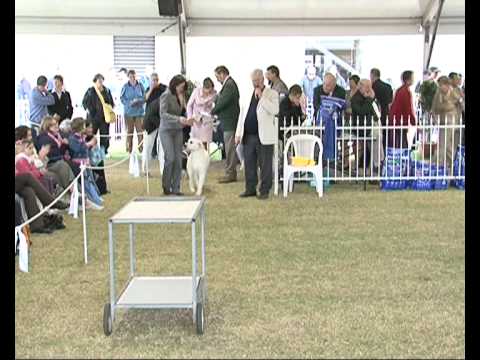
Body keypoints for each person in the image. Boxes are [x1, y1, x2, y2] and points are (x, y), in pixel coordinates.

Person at [235, 69, 279, 199]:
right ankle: (250, 188)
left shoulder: (272, 93)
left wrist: (262, 97)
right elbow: (242, 115)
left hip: (264, 136)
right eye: (253, 81)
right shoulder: (247, 94)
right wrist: (238, 133)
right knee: (249, 163)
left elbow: (275, 110)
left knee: (265, 164)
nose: (255, 83)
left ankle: (264, 190)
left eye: (258, 80)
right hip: (248, 135)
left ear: (263, 79)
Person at [159, 74, 194, 195]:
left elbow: (183, 112)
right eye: (180, 86)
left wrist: (187, 119)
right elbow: (163, 114)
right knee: (170, 158)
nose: (181, 89)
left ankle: (176, 188)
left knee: (179, 160)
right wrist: (178, 119)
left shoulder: (182, 95)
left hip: (178, 130)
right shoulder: (166, 95)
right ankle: (166, 186)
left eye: (183, 87)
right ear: (174, 84)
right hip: (166, 130)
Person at [211, 65, 241, 183]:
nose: (217, 79)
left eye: (217, 76)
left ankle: (230, 173)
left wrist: (212, 111)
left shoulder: (229, 85)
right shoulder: (229, 84)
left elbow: (222, 102)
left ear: (222, 73)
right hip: (228, 120)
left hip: (230, 121)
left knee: (229, 149)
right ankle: (229, 172)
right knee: (229, 148)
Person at [68, 117, 104, 209]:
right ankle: (94, 201)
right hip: (79, 164)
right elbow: (78, 149)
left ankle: (96, 198)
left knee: (90, 181)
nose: (86, 128)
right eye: (84, 126)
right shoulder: (72, 138)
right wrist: (89, 144)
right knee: (86, 183)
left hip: (86, 163)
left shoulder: (80, 137)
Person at [35, 116, 76, 192]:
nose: (57, 125)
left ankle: (78, 193)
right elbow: (50, 155)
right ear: (48, 127)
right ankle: (73, 191)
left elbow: (60, 150)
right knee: (63, 165)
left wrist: (64, 144)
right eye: (54, 124)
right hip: (50, 163)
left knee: (70, 165)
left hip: (57, 161)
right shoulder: (43, 138)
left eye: (56, 123)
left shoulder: (56, 136)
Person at [431, 76, 463, 173]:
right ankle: (437, 166)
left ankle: (449, 169)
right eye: (439, 85)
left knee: (450, 147)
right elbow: (434, 109)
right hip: (444, 122)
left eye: (441, 85)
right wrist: (435, 120)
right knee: (443, 146)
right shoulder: (438, 94)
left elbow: (461, 103)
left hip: (454, 122)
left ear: (447, 84)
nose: (440, 87)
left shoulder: (455, 92)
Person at [351, 79, 381, 175]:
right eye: (367, 87)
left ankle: (377, 163)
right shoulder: (355, 98)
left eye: (370, 87)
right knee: (376, 138)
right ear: (360, 86)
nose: (369, 89)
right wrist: (369, 99)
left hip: (369, 127)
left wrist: (372, 99)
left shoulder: (367, 97)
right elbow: (362, 112)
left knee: (376, 139)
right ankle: (378, 163)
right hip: (360, 128)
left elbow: (376, 115)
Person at [82, 73, 115, 154]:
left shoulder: (107, 91)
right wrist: (89, 110)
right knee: (90, 134)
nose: (100, 82)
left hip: (104, 117)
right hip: (93, 118)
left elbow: (111, 102)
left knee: (105, 135)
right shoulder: (90, 91)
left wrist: (109, 108)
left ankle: (104, 151)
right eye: (99, 81)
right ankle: (89, 150)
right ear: (95, 81)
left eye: (101, 80)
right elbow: (84, 103)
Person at [143, 72, 167, 175]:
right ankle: (145, 169)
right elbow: (145, 99)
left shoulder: (164, 88)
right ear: (149, 81)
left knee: (162, 147)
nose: (155, 82)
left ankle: (163, 170)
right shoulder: (148, 89)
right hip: (150, 121)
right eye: (153, 80)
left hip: (162, 120)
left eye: (156, 79)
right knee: (148, 146)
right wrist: (151, 88)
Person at [186, 77, 217, 151]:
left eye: (210, 91)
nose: (209, 93)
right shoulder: (196, 91)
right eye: (207, 91)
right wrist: (190, 117)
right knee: (195, 143)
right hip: (196, 121)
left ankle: (204, 160)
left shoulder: (214, 93)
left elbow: (216, 106)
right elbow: (189, 105)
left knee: (205, 144)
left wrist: (213, 114)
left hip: (207, 121)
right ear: (203, 87)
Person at [388, 71, 416, 148]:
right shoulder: (406, 91)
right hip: (400, 121)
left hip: (395, 119)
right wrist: (414, 122)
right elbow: (409, 108)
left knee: (397, 141)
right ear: (408, 79)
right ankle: (402, 158)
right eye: (413, 78)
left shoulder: (399, 90)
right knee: (401, 142)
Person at [120, 69, 146, 153]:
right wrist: (129, 103)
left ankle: (141, 149)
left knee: (140, 132)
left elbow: (144, 97)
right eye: (130, 76)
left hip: (139, 113)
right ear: (128, 77)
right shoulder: (125, 86)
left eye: (134, 76)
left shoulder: (140, 85)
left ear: (136, 76)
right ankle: (129, 150)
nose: (132, 78)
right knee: (129, 132)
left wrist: (139, 100)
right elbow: (122, 98)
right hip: (128, 113)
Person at [85, 119, 109, 195]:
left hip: (96, 159)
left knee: (101, 166)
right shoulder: (83, 138)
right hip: (89, 160)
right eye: (88, 127)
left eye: (91, 127)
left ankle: (103, 188)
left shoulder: (93, 137)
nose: (90, 129)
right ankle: (97, 189)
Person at [370, 68, 393, 137]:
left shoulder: (372, 87)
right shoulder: (388, 87)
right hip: (386, 113)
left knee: (376, 135)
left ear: (372, 75)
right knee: (386, 135)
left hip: (375, 115)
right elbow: (390, 102)